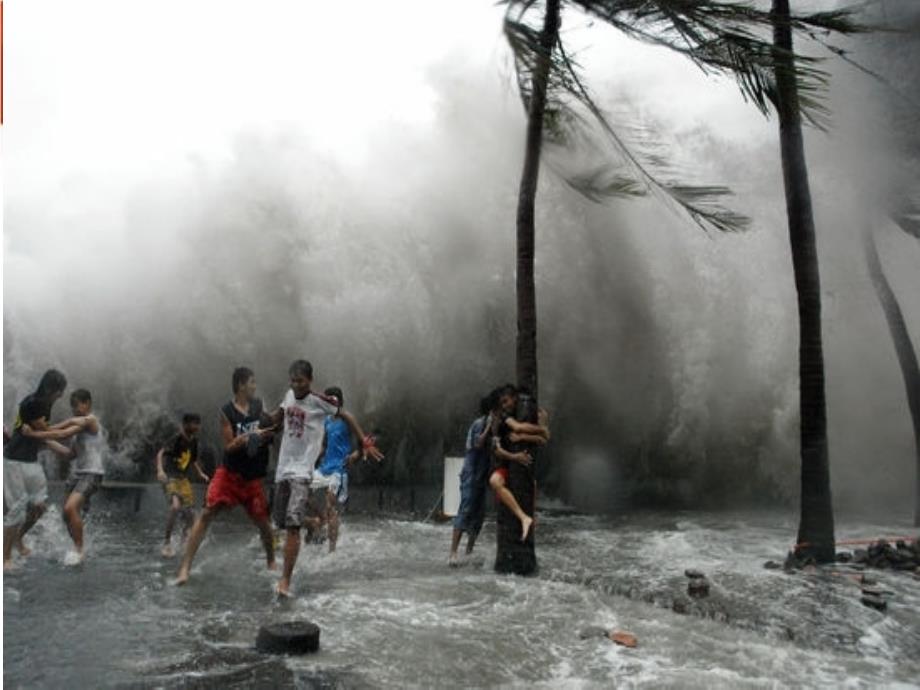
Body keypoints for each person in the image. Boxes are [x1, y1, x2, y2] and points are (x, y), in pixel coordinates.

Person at [268, 360, 382, 596]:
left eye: (300, 380)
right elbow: (280, 421)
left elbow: (348, 417)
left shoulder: (322, 404)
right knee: (281, 520)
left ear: (309, 380)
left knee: (322, 506)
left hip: (325, 468)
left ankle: (294, 574)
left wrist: (362, 446)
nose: (295, 385)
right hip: (291, 468)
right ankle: (314, 522)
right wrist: (259, 429)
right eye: (293, 380)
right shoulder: (292, 398)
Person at [175, 367, 276, 585]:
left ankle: (271, 562)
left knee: (264, 524)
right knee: (206, 514)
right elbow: (229, 446)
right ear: (240, 385)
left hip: (252, 478)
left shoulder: (258, 406)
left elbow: (269, 426)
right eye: (251, 382)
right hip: (229, 475)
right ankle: (185, 568)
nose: (254, 386)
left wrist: (269, 432)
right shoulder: (226, 412)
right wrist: (248, 438)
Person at [3, 369, 79, 571]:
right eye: (59, 391)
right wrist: (73, 431)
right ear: (49, 388)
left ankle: (18, 539)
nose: (61, 395)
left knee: (39, 507)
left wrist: (62, 451)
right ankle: (5, 558)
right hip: (14, 461)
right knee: (17, 510)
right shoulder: (33, 403)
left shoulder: (46, 404)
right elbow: (46, 432)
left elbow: (40, 435)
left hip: (30, 461)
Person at [306, 385, 381, 553]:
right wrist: (312, 460)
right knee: (304, 491)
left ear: (339, 402)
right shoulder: (326, 421)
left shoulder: (347, 419)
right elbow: (324, 445)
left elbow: (366, 439)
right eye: (326, 400)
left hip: (339, 469)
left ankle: (331, 550)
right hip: (324, 468)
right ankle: (322, 520)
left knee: (330, 503)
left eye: (332, 400)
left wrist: (355, 454)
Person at [42, 389, 106, 564]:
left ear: (88, 403)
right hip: (78, 476)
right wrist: (46, 441)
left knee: (70, 509)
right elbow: (69, 454)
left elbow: (65, 431)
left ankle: (79, 550)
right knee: (66, 515)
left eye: (79, 404)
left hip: (93, 474)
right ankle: (78, 545)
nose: (76, 409)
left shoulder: (92, 421)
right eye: (73, 406)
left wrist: (43, 430)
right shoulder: (78, 431)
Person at [489, 385, 550, 543]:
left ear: (516, 398)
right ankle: (524, 517)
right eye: (502, 403)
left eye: (506, 401)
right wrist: (542, 429)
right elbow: (498, 448)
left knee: (532, 484)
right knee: (494, 482)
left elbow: (542, 439)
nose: (505, 405)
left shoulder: (526, 413)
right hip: (506, 462)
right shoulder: (502, 417)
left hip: (519, 467)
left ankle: (530, 516)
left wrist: (524, 437)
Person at [448, 391, 497, 566]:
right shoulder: (479, 424)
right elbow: (478, 444)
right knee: (466, 510)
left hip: (481, 477)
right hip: (471, 475)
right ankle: (453, 553)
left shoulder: (493, 428)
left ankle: (469, 551)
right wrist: (488, 427)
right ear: (491, 411)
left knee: (479, 515)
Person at [156, 413, 209, 557]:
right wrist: (160, 470)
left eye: (198, 423)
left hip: (183, 480)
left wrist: (200, 473)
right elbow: (161, 453)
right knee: (175, 507)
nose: (197, 427)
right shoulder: (177, 438)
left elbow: (192, 461)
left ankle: (183, 542)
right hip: (171, 477)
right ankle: (166, 543)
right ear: (186, 425)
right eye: (194, 423)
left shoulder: (194, 442)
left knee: (190, 515)